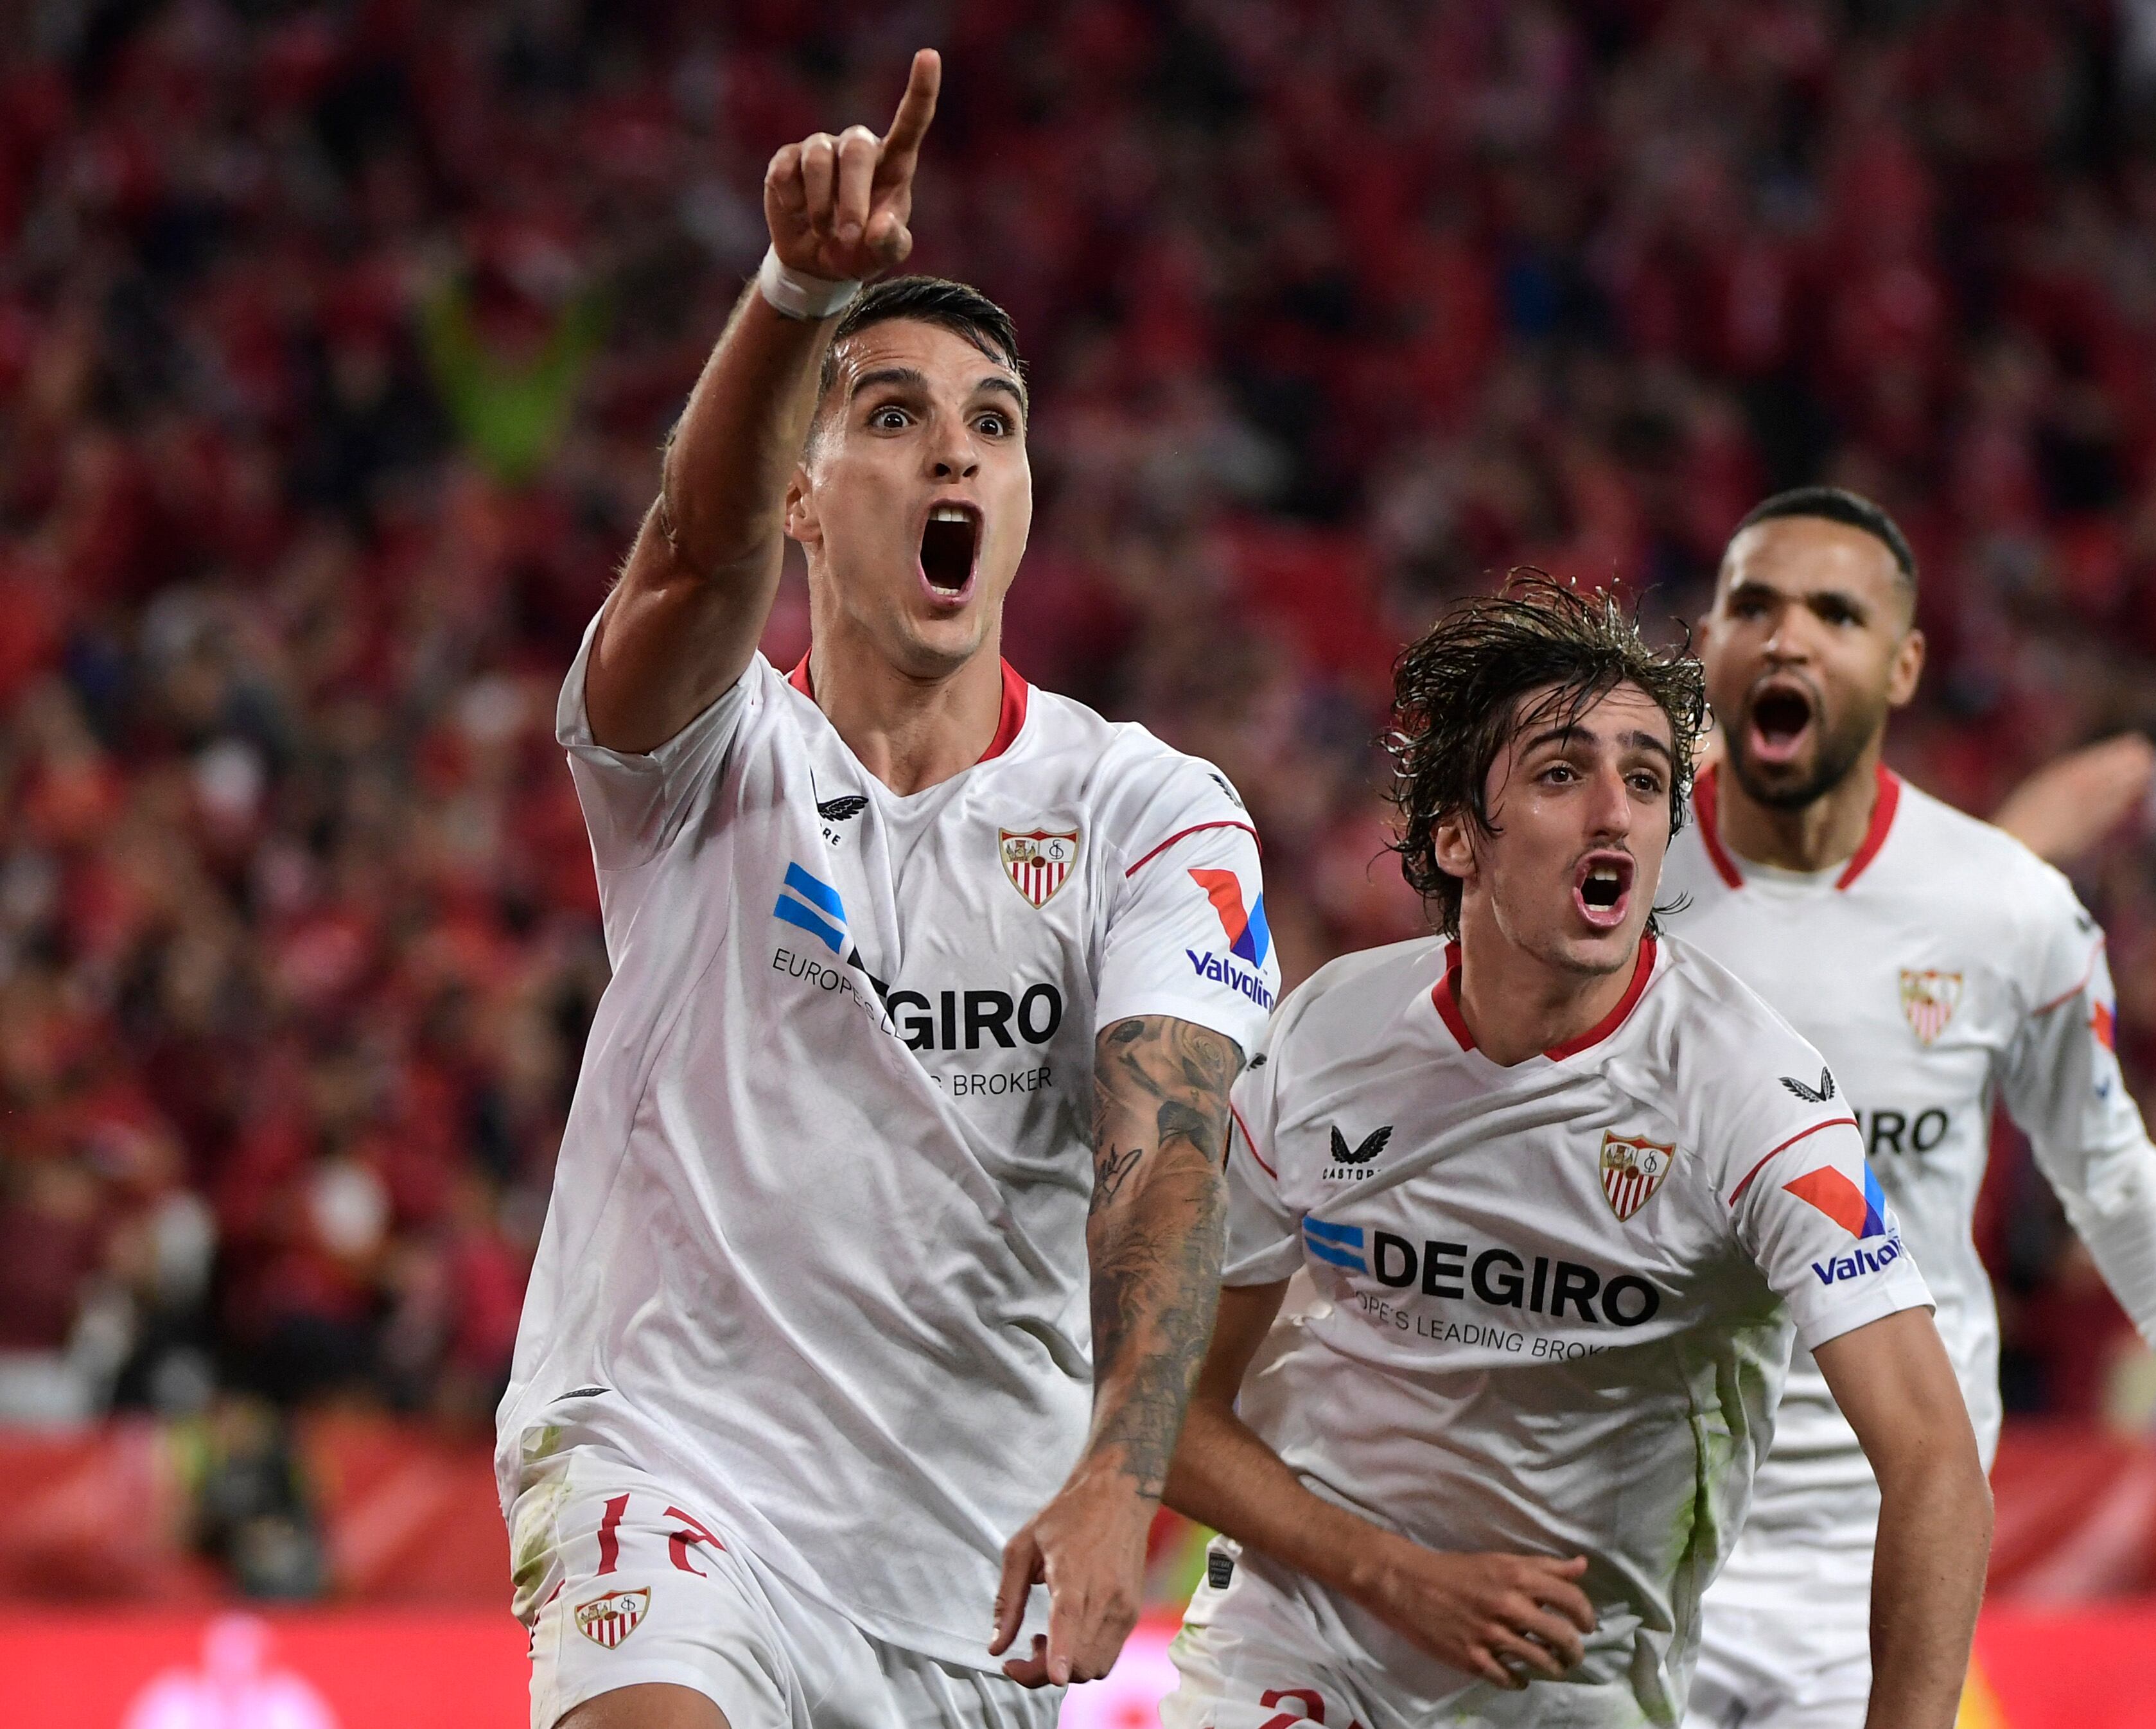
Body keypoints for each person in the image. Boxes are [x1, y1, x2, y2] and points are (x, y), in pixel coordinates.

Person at [496, 51, 1279, 1729]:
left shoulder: (1151, 813)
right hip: (669, 1466)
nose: (956, 453)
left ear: (1015, 508)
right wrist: (795, 298)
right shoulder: (703, 752)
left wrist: (1121, 1473)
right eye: (895, 415)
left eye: (992, 426)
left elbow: (1165, 1160)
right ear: (804, 489)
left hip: (961, 1568)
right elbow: (690, 560)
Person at [1159, 580, 1992, 1729]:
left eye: (1646, 780)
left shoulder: (1754, 1097)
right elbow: (1165, 1404)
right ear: (1457, 836)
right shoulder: (1322, 1039)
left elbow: (1935, 1465)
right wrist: (1397, 1577)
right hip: (1302, 1644)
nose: (1614, 812)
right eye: (1561, 772)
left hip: (1573, 1692)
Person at [1674, 487, 2156, 1729]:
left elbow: (2120, 1188)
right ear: (1702, 642)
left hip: (1877, 1554)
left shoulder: (2004, 911)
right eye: (1753, 607)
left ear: (1904, 662)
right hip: (1629, 1530)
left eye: (1835, 612)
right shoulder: (1603, 879)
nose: (1789, 639)